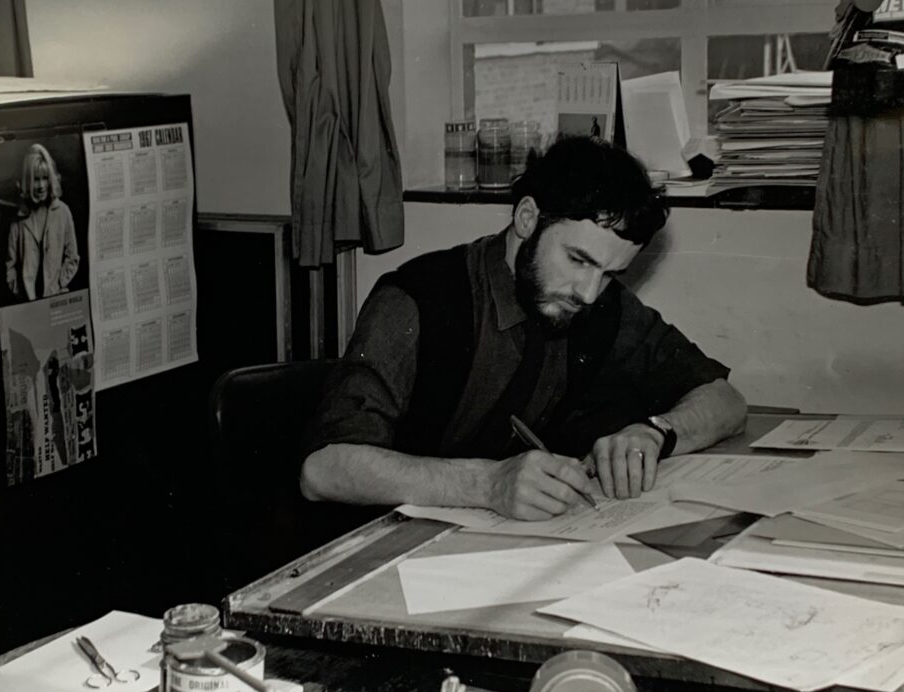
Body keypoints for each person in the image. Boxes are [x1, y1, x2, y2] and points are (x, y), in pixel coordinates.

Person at [300, 136, 746, 521]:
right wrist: (487, 485)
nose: (589, 292)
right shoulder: (417, 301)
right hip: (383, 551)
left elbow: (725, 401)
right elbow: (323, 470)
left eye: (610, 274)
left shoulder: (594, 303)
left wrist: (655, 432)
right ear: (528, 218)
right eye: (578, 259)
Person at [6, 143, 80, 302]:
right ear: (27, 182)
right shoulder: (18, 220)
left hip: (57, 299)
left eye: (45, 178)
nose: (41, 186)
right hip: (27, 304)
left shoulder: (63, 212)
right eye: (36, 179)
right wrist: (19, 292)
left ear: (51, 179)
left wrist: (59, 284)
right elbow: (9, 265)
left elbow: (72, 257)